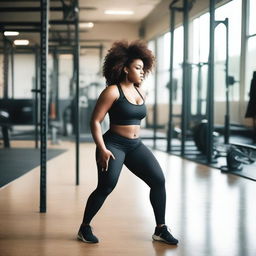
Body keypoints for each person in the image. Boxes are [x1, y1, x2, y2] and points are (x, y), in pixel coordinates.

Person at [77, 40, 179, 245]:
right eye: (138, 68)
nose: (142, 72)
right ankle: (84, 227)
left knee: (158, 181)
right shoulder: (112, 91)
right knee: (106, 187)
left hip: (135, 146)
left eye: (143, 68)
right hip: (113, 145)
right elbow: (95, 121)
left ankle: (160, 229)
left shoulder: (140, 91)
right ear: (125, 68)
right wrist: (102, 149)